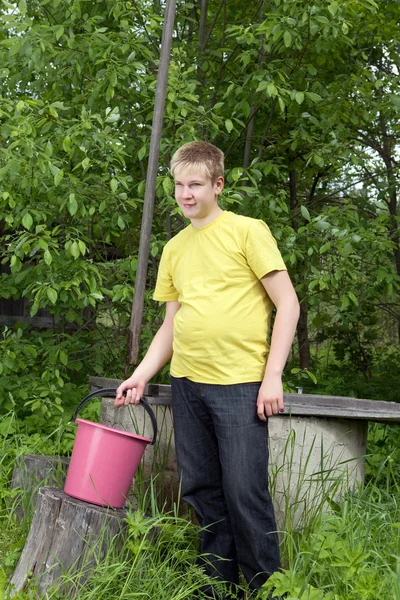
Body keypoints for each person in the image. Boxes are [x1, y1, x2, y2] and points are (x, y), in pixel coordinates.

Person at [115, 141, 300, 597]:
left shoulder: (247, 232)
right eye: (178, 185)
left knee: (244, 493)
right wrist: (142, 374)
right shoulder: (176, 248)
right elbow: (171, 325)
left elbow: (288, 304)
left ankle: (267, 589)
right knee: (200, 490)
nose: (185, 194)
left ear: (218, 184)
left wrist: (272, 375)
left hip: (239, 385)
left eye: (195, 184)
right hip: (188, 384)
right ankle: (215, 588)